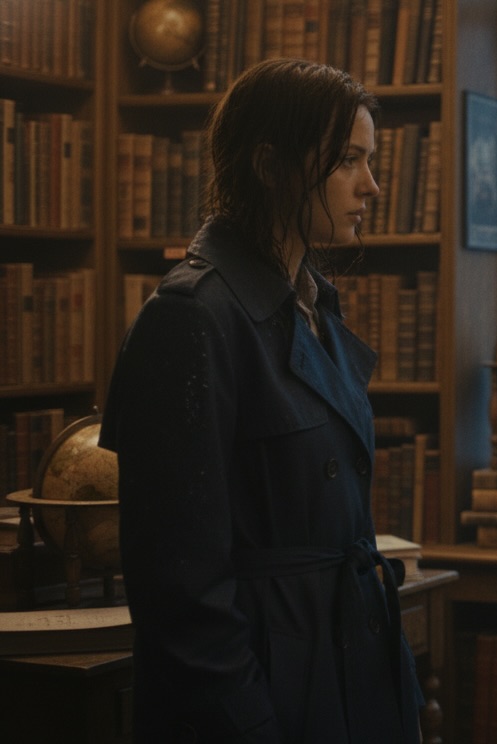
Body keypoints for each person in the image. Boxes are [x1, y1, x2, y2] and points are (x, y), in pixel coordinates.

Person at [99, 58, 423, 744]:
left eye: (370, 160)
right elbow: (181, 594)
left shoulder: (310, 306)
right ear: (272, 166)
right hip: (264, 692)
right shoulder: (191, 318)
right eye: (346, 161)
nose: (372, 185)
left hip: (341, 670)